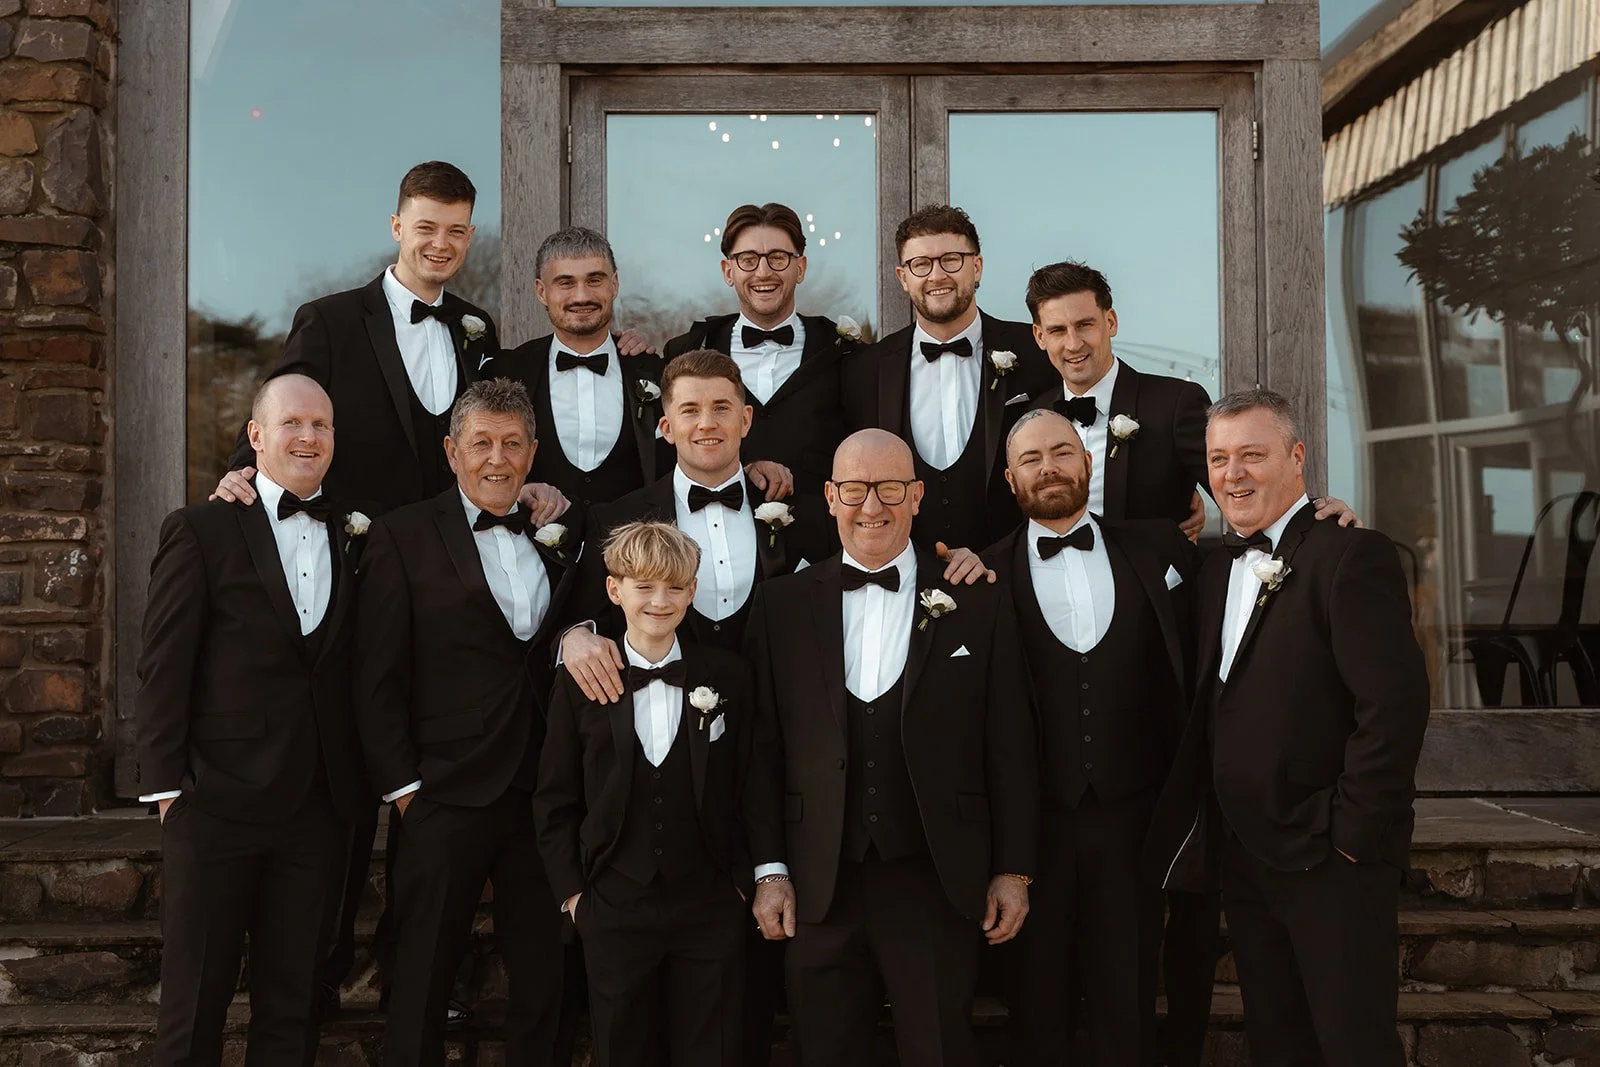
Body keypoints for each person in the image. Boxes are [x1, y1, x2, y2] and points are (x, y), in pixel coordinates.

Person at [209, 161, 567, 1016]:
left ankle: (412, 958)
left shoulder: (479, 327)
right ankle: (322, 968)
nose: (440, 244)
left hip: (457, 580)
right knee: (346, 782)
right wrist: (238, 476)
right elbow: (287, 411)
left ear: (470, 237)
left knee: (435, 772)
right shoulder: (331, 320)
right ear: (397, 226)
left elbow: (492, 432)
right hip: (351, 574)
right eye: (425, 227)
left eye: (456, 231)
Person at [1148, 388, 1429, 1067]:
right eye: (1218, 458)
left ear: (1298, 457)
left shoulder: (1350, 555)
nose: (1232, 474)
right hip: (1245, 857)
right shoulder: (1216, 566)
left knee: (1353, 1044)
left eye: (1252, 454)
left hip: (1331, 857)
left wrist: (1352, 837)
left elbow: (1393, 706)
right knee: (1278, 1043)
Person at [746, 428, 1038, 1067]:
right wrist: (770, 870)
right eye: (854, 489)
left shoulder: (975, 599)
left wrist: (1013, 869)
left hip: (936, 880)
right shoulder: (782, 606)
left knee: (939, 1051)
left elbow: (1009, 745)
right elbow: (763, 752)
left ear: (916, 496)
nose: (870, 505)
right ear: (829, 497)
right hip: (819, 885)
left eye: (888, 489)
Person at [136, 374, 369, 1065]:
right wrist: (166, 787)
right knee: (193, 1002)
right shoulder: (202, 528)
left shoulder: (360, 533)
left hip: (317, 807)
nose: (308, 437)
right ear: (256, 435)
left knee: (292, 1006)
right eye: (292, 423)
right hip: (215, 802)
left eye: (322, 425)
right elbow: (164, 663)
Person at [355, 378, 576, 1067]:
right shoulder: (402, 535)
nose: (497, 458)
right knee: (420, 975)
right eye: (481, 442)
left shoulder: (562, 531)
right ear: (452, 450)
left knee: (546, 979)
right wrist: (405, 790)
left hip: (541, 790)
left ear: (534, 451)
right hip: (443, 791)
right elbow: (374, 674)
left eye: (513, 444)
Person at [981, 409, 1196, 1066]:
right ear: (1012, 479)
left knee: (1127, 995)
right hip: (1031, 830)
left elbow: (1249, 571)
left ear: (1088, 462)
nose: (1049, 467)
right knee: (1035, 999)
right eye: (1031, 458)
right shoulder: (982, 578)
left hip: (1135, 818)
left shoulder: (1162, 547)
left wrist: (1322, 514)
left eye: (1061, 452)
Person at [535, 520, 753, 1067]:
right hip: (614, 905)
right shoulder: (579, 682)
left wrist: (743, 886)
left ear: (693, 591)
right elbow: (555, 797)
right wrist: (576, 900)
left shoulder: (729, 676)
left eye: (675, 587)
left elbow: (753, 783)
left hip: (708, 905)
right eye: (644, 586)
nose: (661, 600)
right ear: (614, 590)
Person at [842, 205, 1057, 552]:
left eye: (951, 260)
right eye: (921, 264)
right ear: (902, 277)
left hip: (1013, 567)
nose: (937, 275)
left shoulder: (1037, 353)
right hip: (907, 574)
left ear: (977, 267)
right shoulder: (865, 369)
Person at [664, 202, 858, 499]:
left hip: (821, 538)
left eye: (778, 258)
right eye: (748, 260)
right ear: (728, 271)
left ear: (801, 268)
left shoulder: (843, 352)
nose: (764, 272)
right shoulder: (687, 350)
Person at [480, 227, 672, 513]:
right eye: (565, 283)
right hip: (531, 548)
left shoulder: (657, 372)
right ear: (541, 291)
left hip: (638, 548)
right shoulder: (506, 370)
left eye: (595, 280)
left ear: (615, 285)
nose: (582, 296)